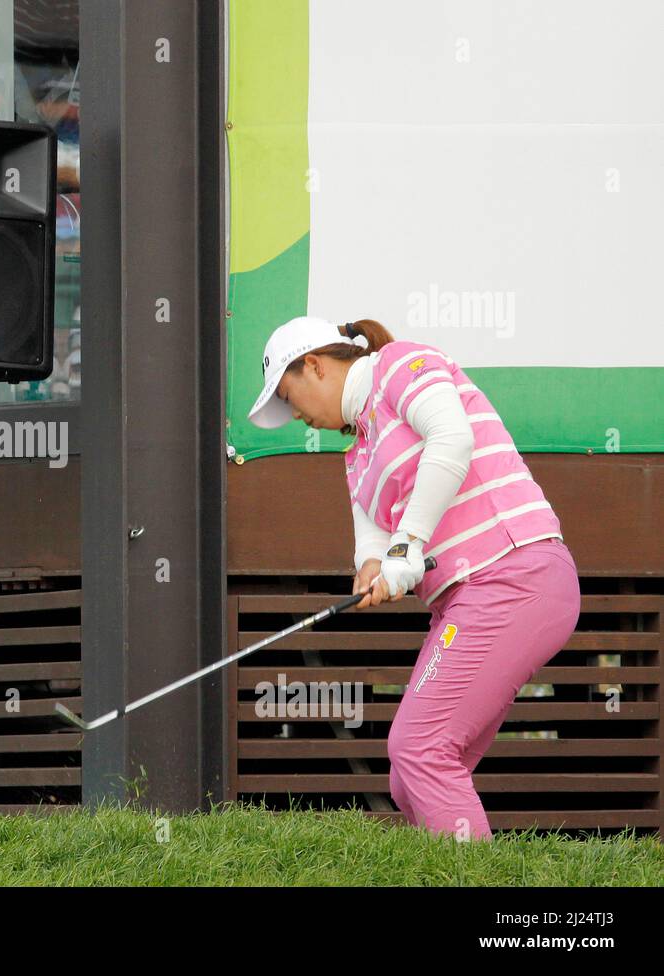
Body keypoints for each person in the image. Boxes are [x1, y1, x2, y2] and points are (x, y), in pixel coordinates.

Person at [248, 316, 579, 842]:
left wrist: (408, 545)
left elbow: (451, 438)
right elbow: (373, 551)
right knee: (411, 777)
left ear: (314, 365)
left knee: (419, 749)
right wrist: (375, 573)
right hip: (468, 598)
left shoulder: (399, 365)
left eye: (289, 397)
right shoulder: (357, 455)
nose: (296, 415)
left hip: (514, 571)